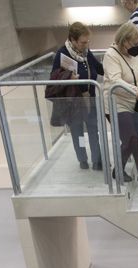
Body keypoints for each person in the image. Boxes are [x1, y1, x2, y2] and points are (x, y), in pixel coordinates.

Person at [103, 21, 138, 184]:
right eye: (134, 43)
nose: (137, 47)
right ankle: (118, 170)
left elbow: (134, 76)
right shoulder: (111, 55)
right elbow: (115, 80)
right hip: (116, 103)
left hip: (133, 102)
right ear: (124, 40)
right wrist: (136, 91)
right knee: (130, 139)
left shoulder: (133, 54)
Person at [52, 22, 105, 171]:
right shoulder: (62, 54)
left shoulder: (86, 52)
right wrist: (69, 77)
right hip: (73, 101)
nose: (86, 44)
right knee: (77, 132)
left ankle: (97, 160)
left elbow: (98, 68)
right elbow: (54, 78)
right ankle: (82, 160)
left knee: (94, 130)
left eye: (88, 41)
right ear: (73, 40)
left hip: (91, 98)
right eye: (83, 42)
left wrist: (112, 69)